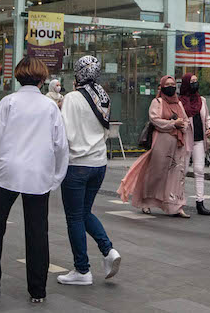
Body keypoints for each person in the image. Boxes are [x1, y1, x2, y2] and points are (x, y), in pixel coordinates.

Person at [0, 56, 69, 303]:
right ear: (43, 79)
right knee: (37, 232)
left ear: (18, 76)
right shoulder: (50, 106)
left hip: (5, 173)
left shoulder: (8, 102)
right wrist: (55, 178)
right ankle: (37, 291)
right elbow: (61, 146)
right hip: (38, 176)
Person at [57, 56, 122, 286]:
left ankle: (82, 270)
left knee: (74, 217)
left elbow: (62, 132)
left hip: (77, 164)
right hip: (98, 163)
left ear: (78, 74)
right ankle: (108, 251)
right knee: (85, 212)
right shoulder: (103, 97)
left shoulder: (72, 98)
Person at [117, 75, 193, 217]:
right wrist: (172, 124)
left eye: (173, 84)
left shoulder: (179, 103)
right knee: (156, 173)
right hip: (161, 142)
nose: (171, 87)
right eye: (167, 84)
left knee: (177, 175)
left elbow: (185, 120)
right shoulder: (157, 102)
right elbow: (155, 119)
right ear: (162, 87)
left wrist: (182, 124)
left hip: (178, 143)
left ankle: (176, 206)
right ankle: (146, 203)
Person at [180, 73, 210, 216]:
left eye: (196, 81)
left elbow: (207, 118)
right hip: (185, 140)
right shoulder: (180, 102)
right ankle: (178, 202)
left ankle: (200, 202)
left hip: (199, 140)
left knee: (199, 171)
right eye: (192, 81)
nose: (195, 83)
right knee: (182, 171)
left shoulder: (202, 101)